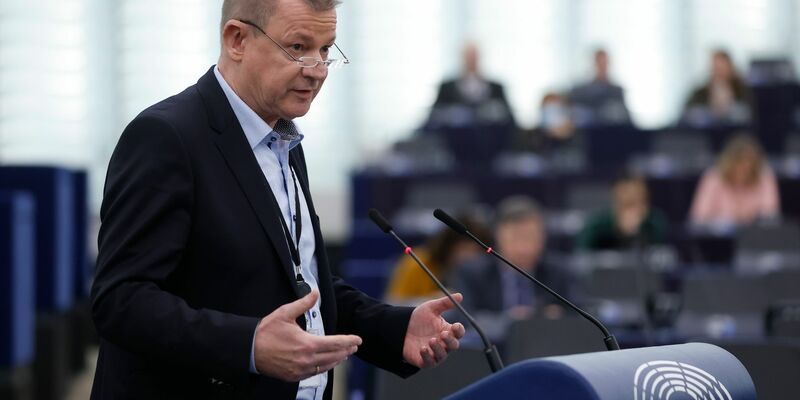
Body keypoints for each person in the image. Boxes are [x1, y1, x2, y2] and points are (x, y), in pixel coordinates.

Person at [90, 1, 465, 399]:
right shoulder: (166, 137)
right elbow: (121, 300)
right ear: (237, 40)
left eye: (325, 49)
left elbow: (298, 284)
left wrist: (395, 328)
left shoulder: (283, 139)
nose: (317, 69)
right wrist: (248, 345)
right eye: (298, 47)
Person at [448, 197, 571, 342]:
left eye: (530, 237)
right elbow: (464, 320)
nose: (523, 247)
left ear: (543, 238)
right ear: (498, 237)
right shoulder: (472, 273)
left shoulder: (560, 272)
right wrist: (511, 321)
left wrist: (558, 316)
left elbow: (581, 314)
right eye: (516, 237)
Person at [385, 214, 490, 304]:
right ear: (448, 245)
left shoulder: (481, 273)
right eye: (465, 249)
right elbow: (393, 304)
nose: (470, 257)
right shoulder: (418, 262)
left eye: (476, 251)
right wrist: (432, 300)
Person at [690, 134, 780, 227]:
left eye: (749, 162)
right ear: (728, 162)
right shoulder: (714, 177)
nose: (744, 167)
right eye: (739, 162)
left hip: (754, 234)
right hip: (719, 235)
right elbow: (699, 218)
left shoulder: (764, 175)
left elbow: (770, 215)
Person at [426, 42, 515, 128]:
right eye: (468, 56)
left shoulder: (496, 88)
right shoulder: (447, 88)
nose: (471, 60)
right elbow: (432, 120)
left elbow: (510, 121)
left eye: (474, 56)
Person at [578, 174, 668, 251]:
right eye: (627, 203)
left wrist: (639, 231)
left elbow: (661, 254)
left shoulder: (654, 223)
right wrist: (620, 231)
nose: (632, 210)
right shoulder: (597, 224)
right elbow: (582, 254)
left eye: (637, 200)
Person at [682, 49, 753, 127]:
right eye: (716, 68)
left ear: (730, 68)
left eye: (722, 68)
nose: (718, 73)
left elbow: (748, 117)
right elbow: (687, 115)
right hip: (705, 132)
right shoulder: (700, 92)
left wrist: (727, 106)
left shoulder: (742, 91)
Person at [569, 48, 631, 126]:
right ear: (593, 64)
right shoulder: (581, 92)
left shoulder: (617, 91)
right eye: (599, 63)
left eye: (605, 63)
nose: (602, 67)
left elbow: (626, 119)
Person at [514, 92, 578, 154]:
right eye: (548, 110)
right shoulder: (533, 138)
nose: (551, 117)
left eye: (554, 111)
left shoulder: (577, 142)